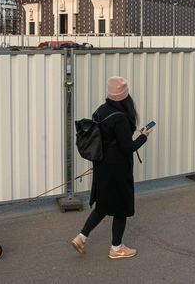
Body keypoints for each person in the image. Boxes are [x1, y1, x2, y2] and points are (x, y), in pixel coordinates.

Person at [71, 76, 154, 259]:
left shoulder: (100, 111)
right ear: (125, 96)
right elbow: (128, 148)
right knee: (121, 208)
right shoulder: (121, 118)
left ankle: (81, 237)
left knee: (103, 204)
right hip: (118, 169)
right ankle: (116, 249)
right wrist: (144, 136)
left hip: (101, 165)